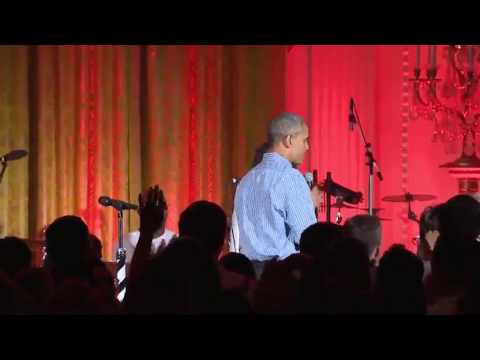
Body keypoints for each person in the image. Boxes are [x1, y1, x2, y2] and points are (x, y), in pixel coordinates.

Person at [234, 112, 322, 279]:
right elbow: (307, 237)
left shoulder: (246, 180)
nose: (307, 147)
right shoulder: (290, 177)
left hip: (248, 274)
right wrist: (309, 205)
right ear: (289, 140)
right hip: (281, 273)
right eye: (304, 140)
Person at [124, 187, 175, 264]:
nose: (158, 210)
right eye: (151, 206)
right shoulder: (126, 241)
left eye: (163, 205)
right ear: (140, 211)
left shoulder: (176, 241)